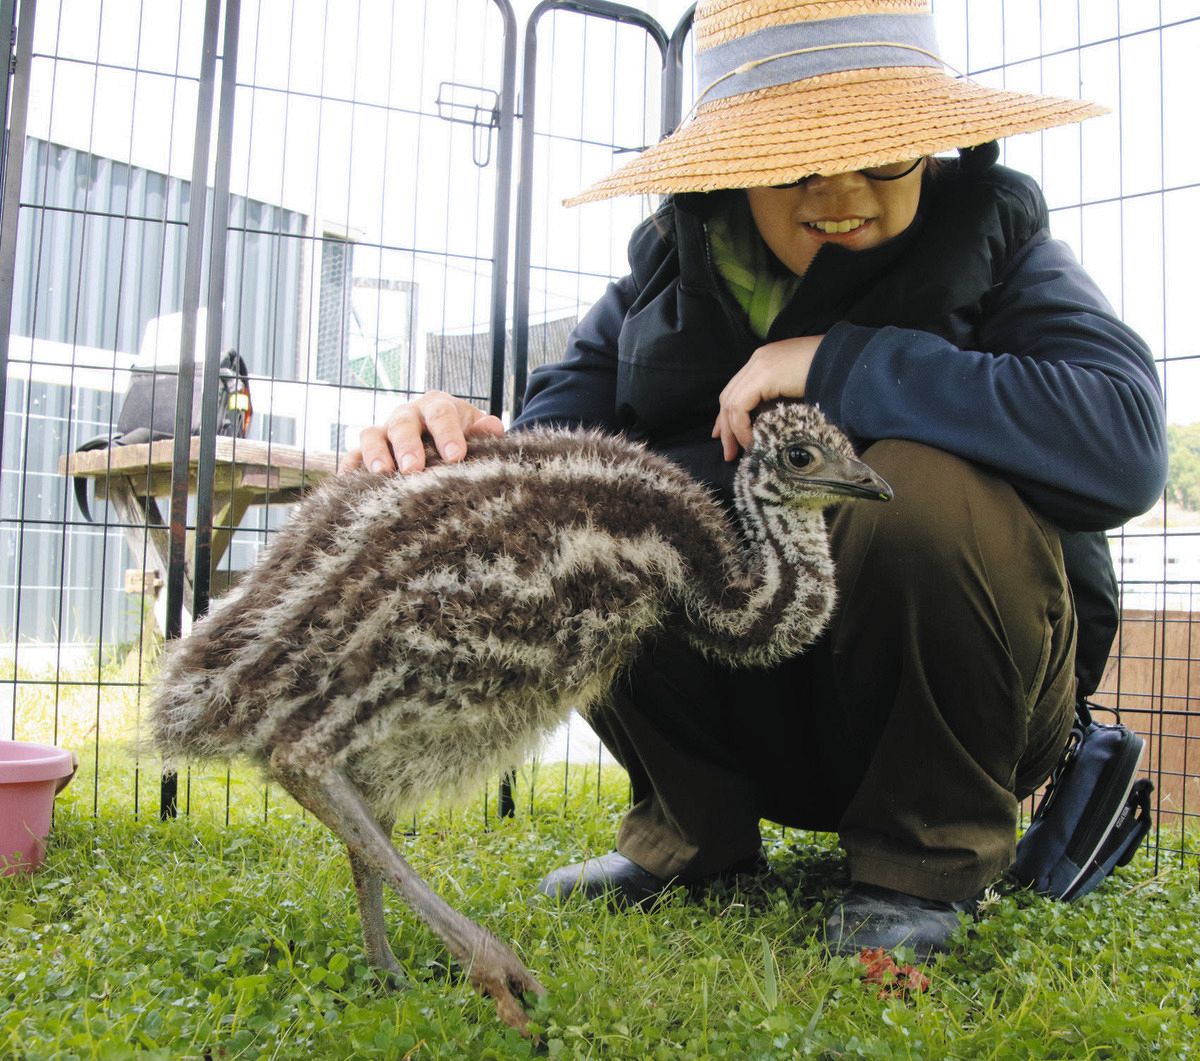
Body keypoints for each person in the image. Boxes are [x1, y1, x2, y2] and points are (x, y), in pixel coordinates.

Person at [343, 0, 1167, 958]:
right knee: (582, 511)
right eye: (797, 161)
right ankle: (692, 836)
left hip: (968, 709)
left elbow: (1126, 439)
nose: (842, 191)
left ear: (934, 149)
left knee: (914, 487)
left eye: (885, 152)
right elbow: (541, 463)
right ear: (733, 164)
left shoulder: (1007, 249)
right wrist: (447, 444)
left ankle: (920, 861)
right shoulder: (657, 283)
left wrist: (841, 365)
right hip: (753, 699)